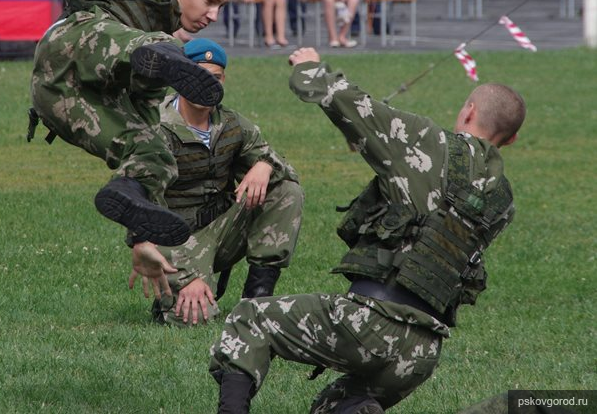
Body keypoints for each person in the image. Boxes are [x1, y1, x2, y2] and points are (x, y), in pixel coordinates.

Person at [210, 47, 526, 414]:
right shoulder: (503, 202)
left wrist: (309, 67)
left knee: (248, 319)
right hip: (422, 351)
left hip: (371, 320)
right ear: (512, 139)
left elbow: (351, 103)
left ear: (468, 111)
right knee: (336, 406)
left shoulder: (428, 141)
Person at [0, 0, 234, 249]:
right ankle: (158, 51)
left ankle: (129, 187)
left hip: (63, 102)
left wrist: (144, 241)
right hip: (68, 54)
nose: (214, 15)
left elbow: (143, 113)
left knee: (154, 151)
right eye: (210, 2)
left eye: (221, 7)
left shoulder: (157, 54)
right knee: (157, 47)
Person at [128, 38, 304, 325]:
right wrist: (186, 277)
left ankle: (257, 299)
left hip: (222, 229)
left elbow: (287, 170)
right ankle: (175, 291)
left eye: (215, 78)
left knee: (286, 190)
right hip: (172, 241)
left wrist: (264, 165)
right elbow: (138, 206)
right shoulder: (154, 128)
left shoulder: (233, 124)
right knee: (193, 320)